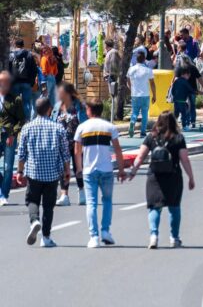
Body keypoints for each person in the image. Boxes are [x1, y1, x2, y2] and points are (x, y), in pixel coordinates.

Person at [127, 112, 195, 248]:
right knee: (174, 207)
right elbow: (185, 159)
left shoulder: (151, 137)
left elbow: (140, 156)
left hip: (154, 176)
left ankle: (154, 236)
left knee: (154, 207)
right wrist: (191, 177)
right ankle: (174, 238)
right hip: (173, 175)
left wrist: (133, 171)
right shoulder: (178, 138)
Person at [16, 97, 70, 247]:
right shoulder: (58, 128)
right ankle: (46, 238)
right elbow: (65, 153)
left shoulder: (27, 128)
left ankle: (34, 220)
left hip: (33, 173)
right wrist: (67, 171)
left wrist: (20, 171)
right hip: (52, 173)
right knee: (48, 205)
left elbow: (21, 153)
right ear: (49, 110)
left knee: (32, 200)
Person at [73, 100, 125, 247]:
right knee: (107, 201)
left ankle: (93, 236)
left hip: (89, 171)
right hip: (107, 169)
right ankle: (105, 231)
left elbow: (77, 151)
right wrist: (121, 169)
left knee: (91, 203)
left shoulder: (82, 127)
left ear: (89, 110)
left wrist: (78, 168)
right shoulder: (109, 127)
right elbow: (118, 149)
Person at [52, 82, 88, 207]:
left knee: (79, 167)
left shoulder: (79, 106)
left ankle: (82, 192)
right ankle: (64, 195)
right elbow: (53, 122)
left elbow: (84, 123)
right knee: (63, 169)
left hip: (77, 143)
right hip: (62, 144)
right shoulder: (57, 106)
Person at [0, 71, 25, 206]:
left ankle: (3, 194)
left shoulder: (16, 99)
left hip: (9, 136)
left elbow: (21, 120)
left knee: (8, 167)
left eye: (5, 82)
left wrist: (12, 134)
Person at [127, 51, 156, 138]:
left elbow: (128, 80)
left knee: (135, 112)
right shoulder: (148, 70)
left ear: (136, 59)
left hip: (135, 94)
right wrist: (154, 95)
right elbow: (152, 84)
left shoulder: (131, 69)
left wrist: (131, 88)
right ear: (144, 60)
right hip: (145, 94)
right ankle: (143, 132)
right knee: (144, 114)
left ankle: (132, 122)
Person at [9, 39, 38, 120]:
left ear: (15, 45)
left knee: (15, 102)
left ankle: (16, 120)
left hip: (14, 83)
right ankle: (26, 120)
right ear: (23, 45)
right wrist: (31, 82)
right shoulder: (29, 55)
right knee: (27, 103)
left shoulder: (11, 55)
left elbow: (8, 69)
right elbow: (34, 70)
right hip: (26, 82)